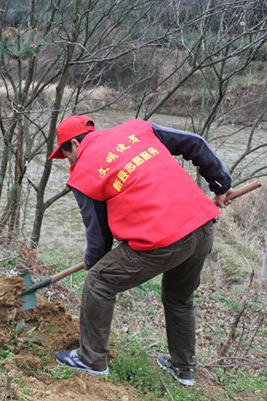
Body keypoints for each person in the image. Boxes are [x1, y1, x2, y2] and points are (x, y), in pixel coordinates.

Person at [50, 115, 233, 386]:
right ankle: (184, 370)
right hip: (203, 227)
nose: (69, 162)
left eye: (66, 156)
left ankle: (91, 360)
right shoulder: (137, 129)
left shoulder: (84, 173)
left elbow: (99, 236)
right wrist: (220, 184)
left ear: (74, 145)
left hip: (166, 239)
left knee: (99, 282)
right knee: (178, 298)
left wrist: (94, 262)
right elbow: (195, 143)